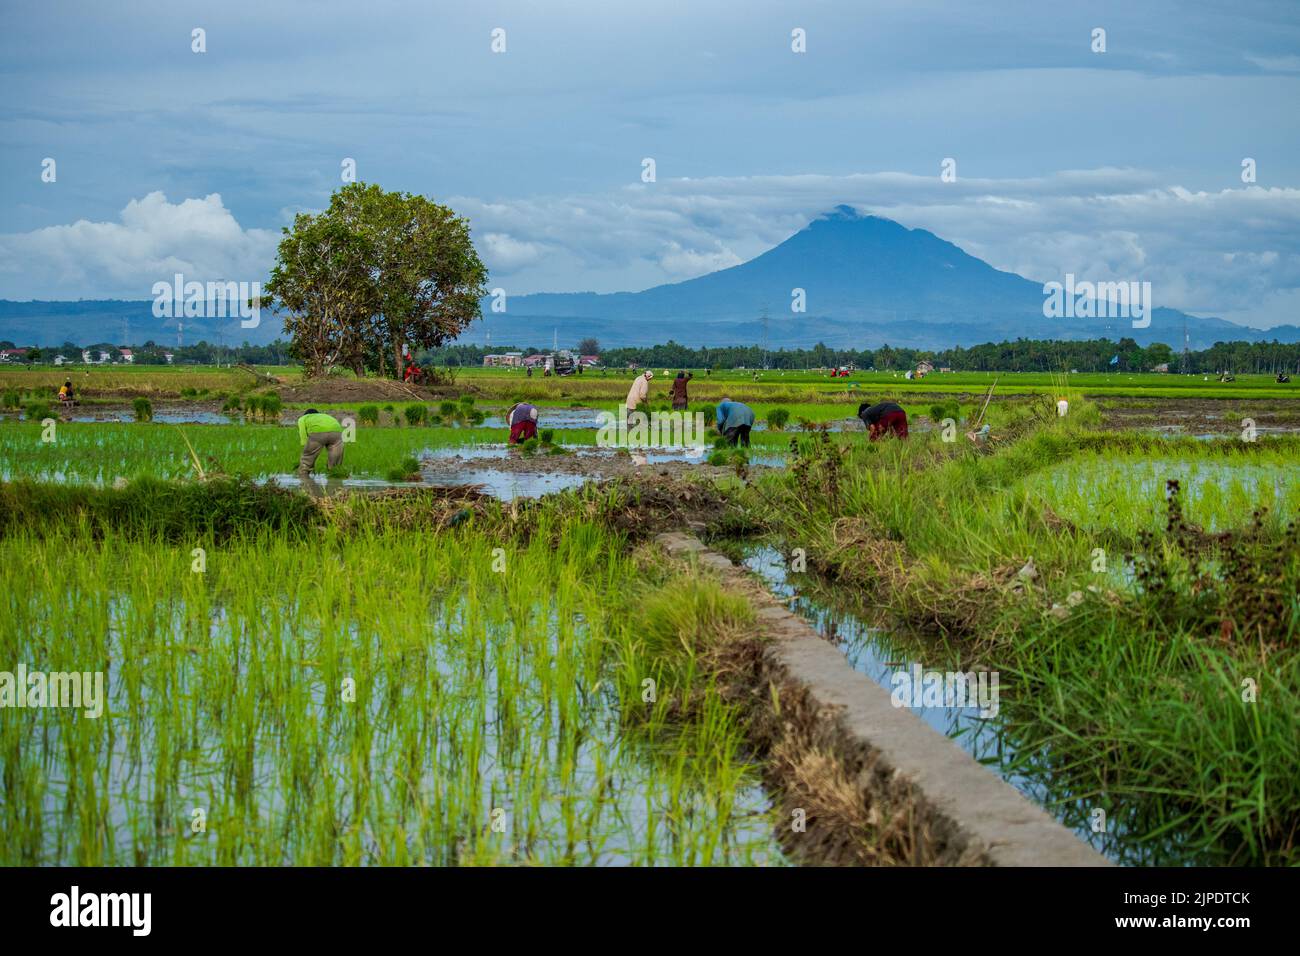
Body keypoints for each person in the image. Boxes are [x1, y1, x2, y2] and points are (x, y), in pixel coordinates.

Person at [297, 408, 346, 476]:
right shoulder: (325, 416)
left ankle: (304, 476)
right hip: (336, 432)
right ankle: (334, 474)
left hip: (318, 433)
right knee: (335, 459)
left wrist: (306, 447)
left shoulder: (303, 418)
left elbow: (302, 433)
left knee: (308, 458)